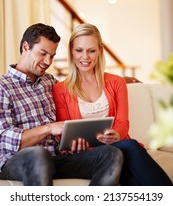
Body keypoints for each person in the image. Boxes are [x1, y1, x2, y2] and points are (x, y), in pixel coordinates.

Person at [0, 23, 124, 186]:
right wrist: (49, 128)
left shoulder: (49, 81)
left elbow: (76, 83)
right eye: (43, 53)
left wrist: (120, 80)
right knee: (39, 155)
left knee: (111, 154)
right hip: (17, 161)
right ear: (25, 47)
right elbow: (3, 138)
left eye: (52, 56)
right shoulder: (3, 86)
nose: (47, 61)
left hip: (56, 158)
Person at [53, 23, 172, 186]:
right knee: (130, 148)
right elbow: (64, 134)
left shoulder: (116, 82)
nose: (85, 57)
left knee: (128, 154)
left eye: (91, 51)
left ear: (100, 51)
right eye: (79, 50)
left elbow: (123, 123)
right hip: (88, 155)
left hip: (118, 147)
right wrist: (73, 145)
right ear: (71, 52)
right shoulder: (60, 89)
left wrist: (116, 134)